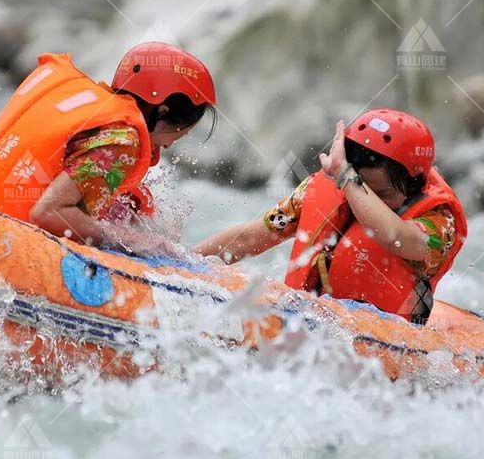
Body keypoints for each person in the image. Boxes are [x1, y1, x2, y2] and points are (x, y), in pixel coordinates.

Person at [195, 109, 468, 324]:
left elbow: (396, 237)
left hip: (387, 336)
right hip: (315, 319)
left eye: (379, 193)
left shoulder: (440, 220)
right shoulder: (328, 186)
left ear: (414, 184)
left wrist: (349, 181)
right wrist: (186, 261)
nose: (362, 199)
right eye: (360, 186)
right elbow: (256, 235)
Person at [0, 42, 216, 253]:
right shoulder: (122, 142)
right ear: (162, 111)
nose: (168, 145)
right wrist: (131, 242)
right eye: (179, 133)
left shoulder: (90, 105)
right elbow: (49, 212)